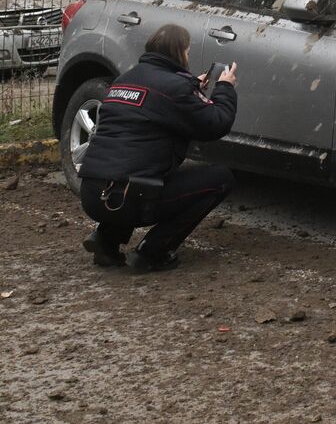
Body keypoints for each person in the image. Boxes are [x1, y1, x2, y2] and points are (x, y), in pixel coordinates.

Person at [76, 24, 238, 272]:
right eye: (187, 50)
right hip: (129, 198)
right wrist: (225, 87)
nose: (188, 56)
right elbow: (216, 124)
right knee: (221, 178)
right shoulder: (176, 89)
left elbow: (156, 100)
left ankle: (106, 240)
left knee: (133, 170)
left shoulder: (124, 80)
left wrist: (192, 88)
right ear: (179, 52)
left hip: (91, 194)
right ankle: (153, 252)